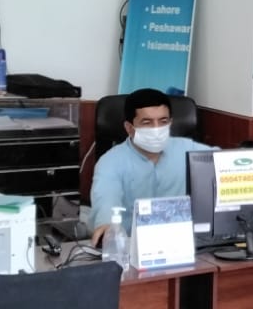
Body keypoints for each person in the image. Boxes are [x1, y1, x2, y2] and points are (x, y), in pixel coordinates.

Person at [88, 88, 213, 245]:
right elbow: (106, 199)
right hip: (131, 247)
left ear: (170, 123)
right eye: (147, 123)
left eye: (163, 121)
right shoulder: (110, 162)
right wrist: (107, 227)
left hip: (183, 244)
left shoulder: (189, 150)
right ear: (129, 128)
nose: (156, 129)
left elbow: (227, 163)